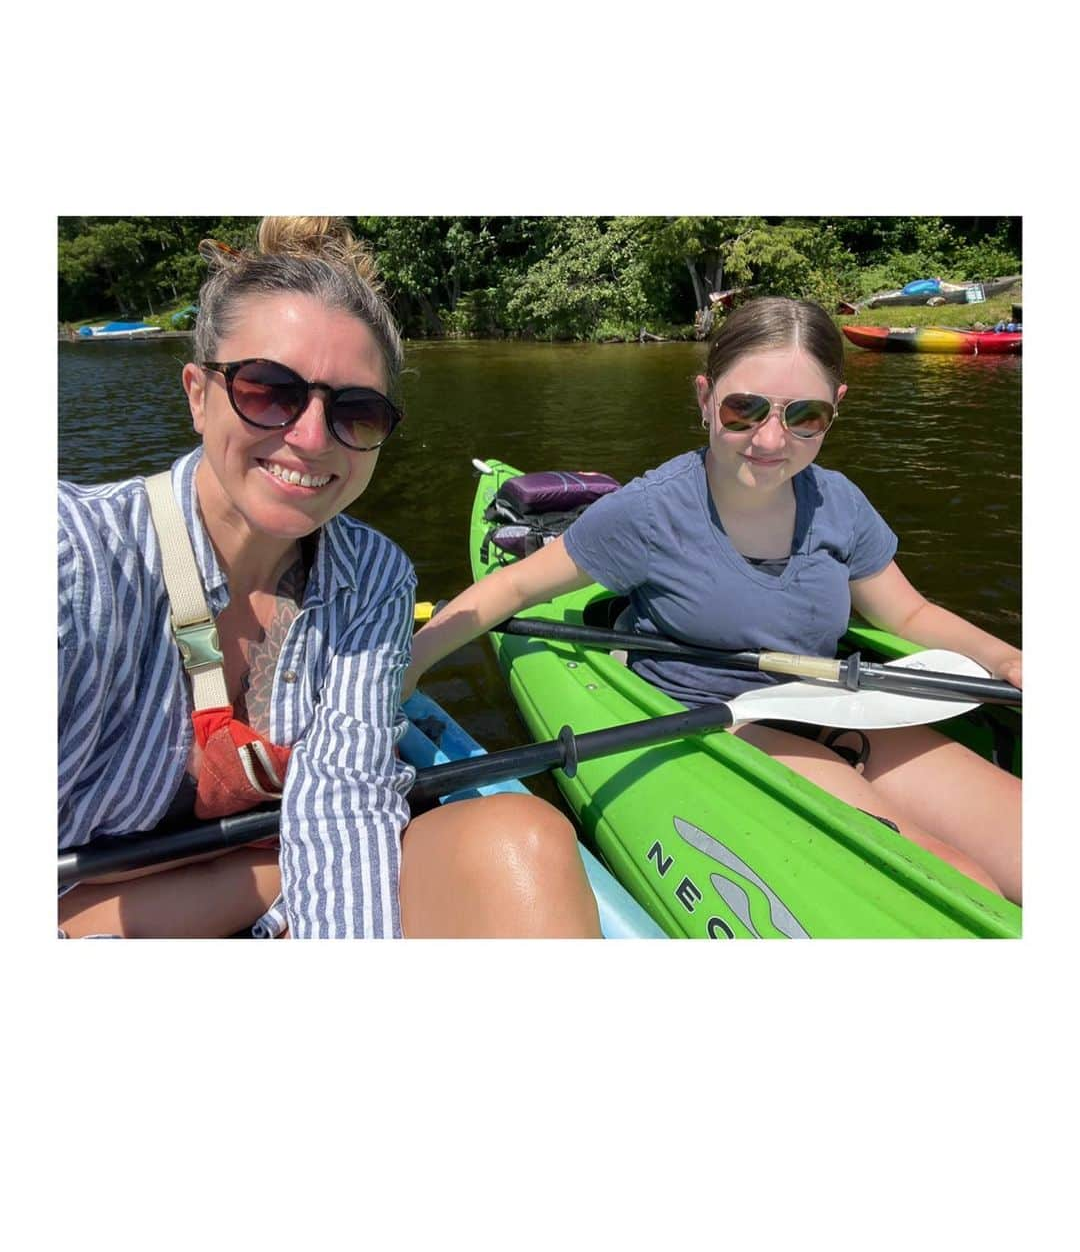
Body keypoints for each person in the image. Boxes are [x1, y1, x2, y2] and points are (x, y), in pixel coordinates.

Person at [59, 216, 601, 939]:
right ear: (197, 392)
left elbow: (344, 807)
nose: (312, 438)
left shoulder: (373, 576)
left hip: (279, 901)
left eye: (357, 410)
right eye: (267, 390)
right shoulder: (77, 557)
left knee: (523, 837)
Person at [407, 296, 1022, 905]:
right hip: (721, 722)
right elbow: (513, 586)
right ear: (705, 399)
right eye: (744, 409)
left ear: (834, 410)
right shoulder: (649, 512)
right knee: (961, 879)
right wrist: (408, 663)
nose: (770, 438)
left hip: (834, 702)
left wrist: (1007, 660)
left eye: (803, 415)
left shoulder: (840, 503)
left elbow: (908, 614)